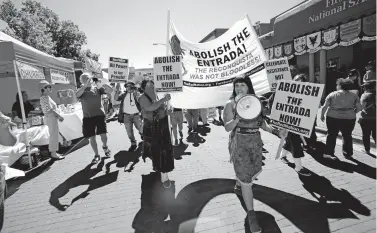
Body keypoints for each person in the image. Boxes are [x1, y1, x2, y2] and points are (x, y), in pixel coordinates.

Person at [223, 76, 286, 233]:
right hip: (239, 144)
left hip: (255, 144)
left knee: (249, 175)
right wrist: (237, 117)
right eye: (236, 85)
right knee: (246, 180)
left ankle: (238, 185)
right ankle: (251, 216)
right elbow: (227, 127)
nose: (239, 88)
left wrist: (277, 132)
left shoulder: (256, 102)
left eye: (242, 85)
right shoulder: (229, 104)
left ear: (249, 87)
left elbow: (263, 123)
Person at [138, 79, 174, 188]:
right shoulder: (142, 97)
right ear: (143, 88)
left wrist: (167, 111)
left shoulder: (158, 95)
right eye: (148, 86)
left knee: (165, 149)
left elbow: (161, 108)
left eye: (152, 86)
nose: (151, 88)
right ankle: (158, 167)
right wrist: (164, 99)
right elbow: (150, 107)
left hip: (163, 125)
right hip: (151, 127)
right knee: (155, 150)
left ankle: (164, 175)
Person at [76, 73, 113, 164]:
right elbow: (77, 95)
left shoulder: (97, 88)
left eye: (88, 78)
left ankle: (105, 146)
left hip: (99, 115)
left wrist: (102, 84)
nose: (87, 80)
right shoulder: (81, 90)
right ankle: (96, 155)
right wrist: (85, 86)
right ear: (81, 81)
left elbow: (110, 90)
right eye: (85, 79)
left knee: (103, 135)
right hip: (88, 117)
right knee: (92, 138)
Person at [321, 78, 362, 159]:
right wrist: (353, 112)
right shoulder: (354, 96)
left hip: (333, 117)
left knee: (331, 135)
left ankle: (329, 153)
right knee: (347, 135)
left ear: (340, 86)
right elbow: (359, 108)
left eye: (337, 85)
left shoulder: (332, 94)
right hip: (349, 118)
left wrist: (322, 115)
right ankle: (348, 153)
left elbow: (324, 107)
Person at [39, 80, 65, 160]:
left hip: (51, 117)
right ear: (44, 88)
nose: (50, 88)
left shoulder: (46, 97)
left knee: (54, 135)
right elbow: (50, 110)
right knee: (53, 135)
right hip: (50, 118)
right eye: (49, 87)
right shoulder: (44, 97)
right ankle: (53, 153)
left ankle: (54, 152)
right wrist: (59, 116)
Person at [115, 81, 142, 152]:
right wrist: (117, 90)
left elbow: (140, 102)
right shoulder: (123, 95)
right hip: (126, 116)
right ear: (126, 88)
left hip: (136, 115)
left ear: (133, 87)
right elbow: (116, 98)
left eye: (130, 86)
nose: (129, 88)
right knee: (129, 132)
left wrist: (137, 94)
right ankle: (133, 144)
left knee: (141, 129)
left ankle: (142, 136)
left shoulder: (136, 94)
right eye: (127, 86)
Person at [359, 80, 376, 154]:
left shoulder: (365, 95)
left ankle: (367, 150)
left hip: (366, 118)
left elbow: (362, 107)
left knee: (366, 135)